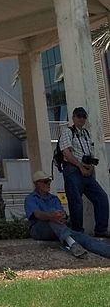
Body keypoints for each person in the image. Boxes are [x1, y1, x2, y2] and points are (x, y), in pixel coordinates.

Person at [24, 170, 110, 260]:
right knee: (53, 215)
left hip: (58, 228)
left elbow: (61, 214)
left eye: (49, 181)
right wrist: (52, 216)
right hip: (39, 229)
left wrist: (62, 216)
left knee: (85, 238)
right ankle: (72, 244)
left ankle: (105, 251)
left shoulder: (54, 198)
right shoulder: (30, 198)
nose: (48, 184)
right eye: (45, 181)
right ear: (37, 183)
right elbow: (37, 214)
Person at [58, 106, 110, 236]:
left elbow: (91, 154)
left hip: (86, 172)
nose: (81, 119)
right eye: (78, 116)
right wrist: (81, 167)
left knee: (102, 197)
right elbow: (66, 153)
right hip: (72, 170)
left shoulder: (86, 134)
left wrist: (90, 167)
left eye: (83, 116)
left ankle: (101, 229)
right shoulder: (68, 132)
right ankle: (78, 232)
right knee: (76, 201)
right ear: (73, 117)